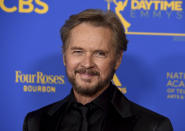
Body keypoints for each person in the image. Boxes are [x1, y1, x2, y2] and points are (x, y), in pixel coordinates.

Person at [23, 9, 173, 131]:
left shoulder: (153, 127)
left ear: (117, 60)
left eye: (100, 53)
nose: (87, 64)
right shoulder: (36, 122)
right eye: (78, 52)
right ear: (64, 57)